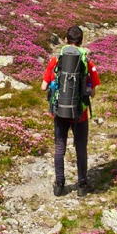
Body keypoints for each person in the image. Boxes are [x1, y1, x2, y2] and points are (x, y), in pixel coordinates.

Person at [42, 26, 100, 197]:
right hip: (80, 115)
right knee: (81, 148)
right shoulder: (88, 62)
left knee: (60, 147)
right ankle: (82, 185)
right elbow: (93, 92)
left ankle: (59, 185)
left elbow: (43, 86)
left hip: (59, 112)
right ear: (82, 42)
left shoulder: (55, 60)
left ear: (66, 40)